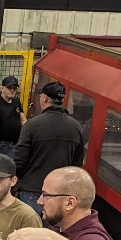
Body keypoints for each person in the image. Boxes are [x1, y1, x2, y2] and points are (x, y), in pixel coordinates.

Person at [11, 81, 85, 214]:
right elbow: (76, 164)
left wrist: (16, 182)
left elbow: (20, 160)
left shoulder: (32, 125)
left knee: (30, 231)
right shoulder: (76, 127)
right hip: (59, 194)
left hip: (31, 190)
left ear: (44, 98)